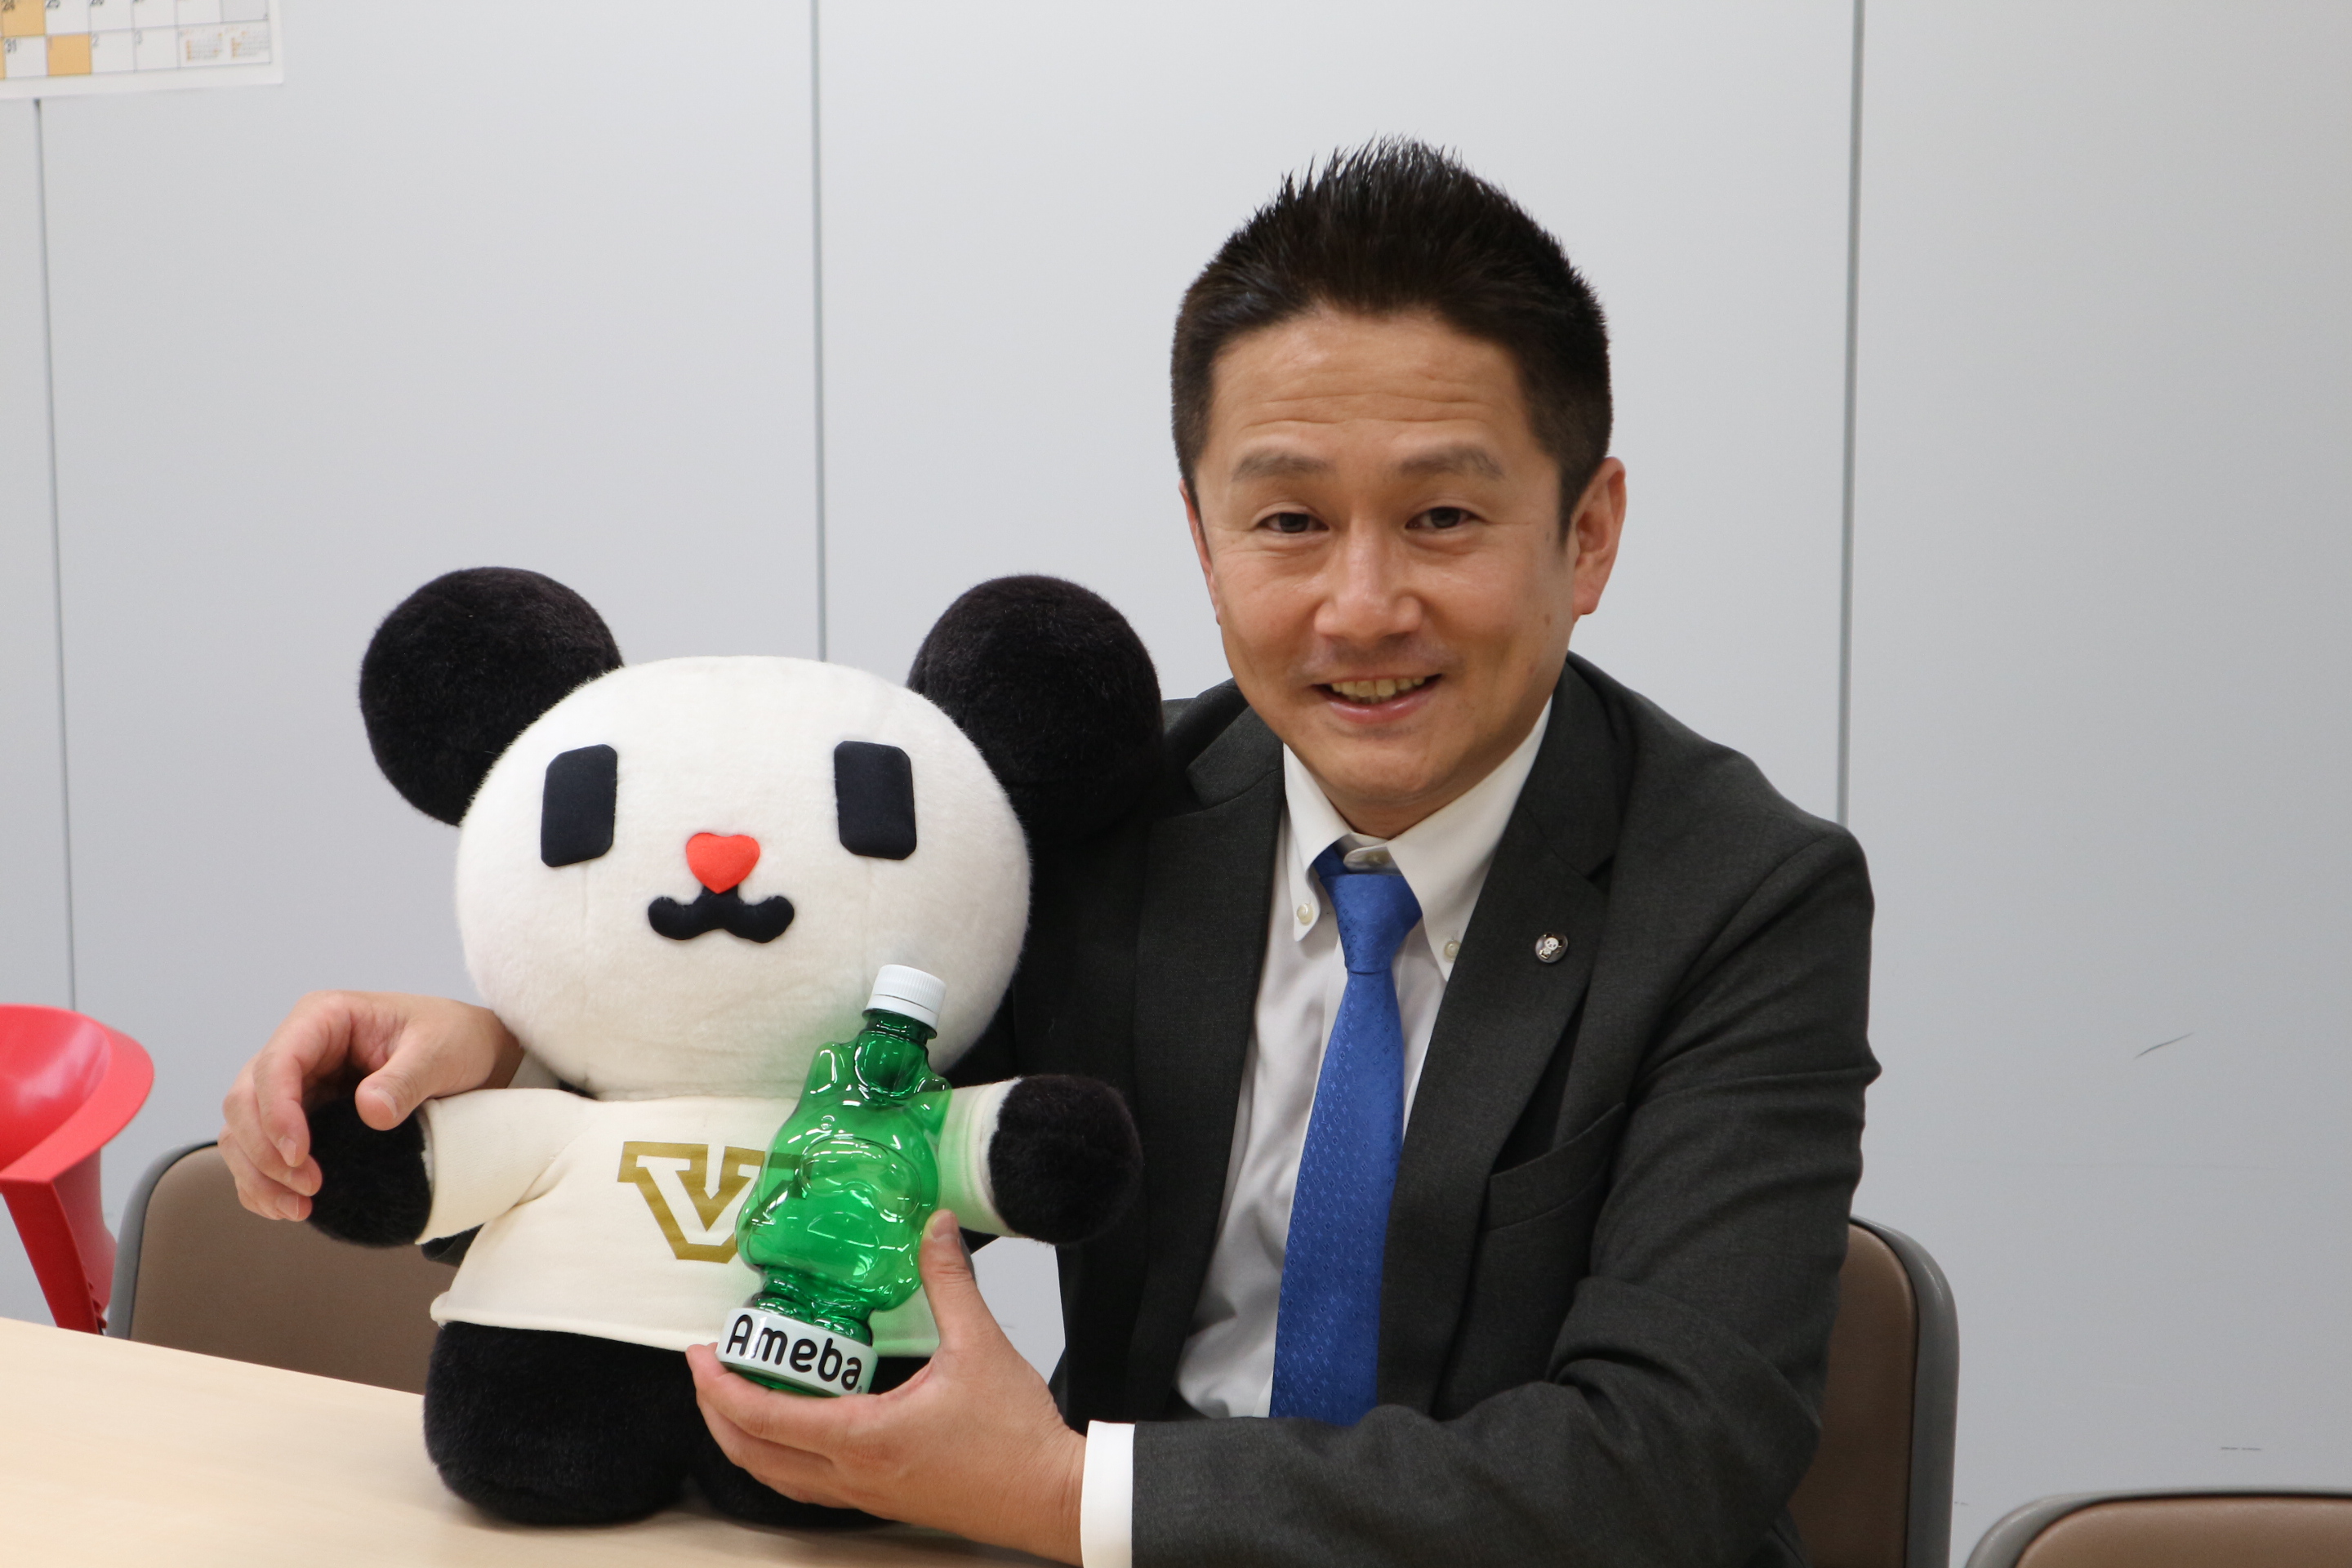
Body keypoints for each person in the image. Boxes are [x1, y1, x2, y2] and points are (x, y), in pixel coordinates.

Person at [221, 140, 1874, 1567]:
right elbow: (826, 1093)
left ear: (1588, 533)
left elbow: (1669, 1463)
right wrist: (507, 1051)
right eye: (1290, 521)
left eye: (1443, 517)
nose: (1362, 605)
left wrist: (1068, 1491)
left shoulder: (1744, 896)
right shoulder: (1106, 808)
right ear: (1203, 540)